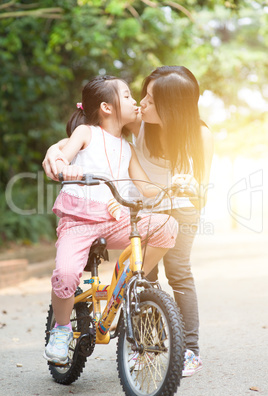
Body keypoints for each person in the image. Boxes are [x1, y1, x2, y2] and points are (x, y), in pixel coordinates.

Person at [42, 66, 214, 377]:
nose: (141, 103)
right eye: (139, 96)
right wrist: (55, 157)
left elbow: (184, 184)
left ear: (171, 107)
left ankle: (185, 344)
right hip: (113, 210)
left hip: (164, 207)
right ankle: (99, 335)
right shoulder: (131, 123)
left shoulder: (197, 134)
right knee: (119, 275)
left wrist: (188, 186)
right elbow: (81, 139)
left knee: (176, 267)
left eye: (149, 99)